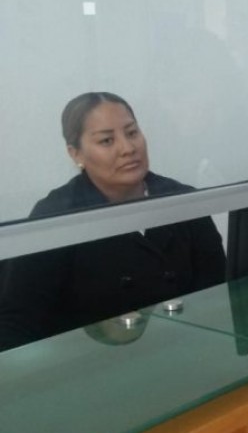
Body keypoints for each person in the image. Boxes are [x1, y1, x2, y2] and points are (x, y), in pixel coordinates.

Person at [0, 92, 226, 351]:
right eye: (107, 140)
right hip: (90, 364)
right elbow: (16, 324)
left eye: (132, 133)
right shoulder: (56, 217)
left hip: (184, 350)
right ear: (76, 154)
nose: (128, 148)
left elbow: (219, 292)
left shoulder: (182, 201)